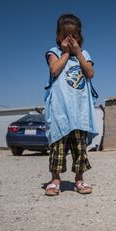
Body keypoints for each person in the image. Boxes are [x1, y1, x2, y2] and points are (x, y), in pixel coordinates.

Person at [44, 14, 98, 196]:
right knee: (57, 148)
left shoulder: (85, 54)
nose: (69, 39)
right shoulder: (54, 52)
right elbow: (54, 70)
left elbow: (89, 73)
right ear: (58, 36)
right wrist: (66, 52)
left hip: (80, 111)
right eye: (65, 35)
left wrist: (77, 52)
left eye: (73, 35)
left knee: (79, 149)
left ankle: (79, 180)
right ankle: (55, 180)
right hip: (60, 110)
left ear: (79, 37)